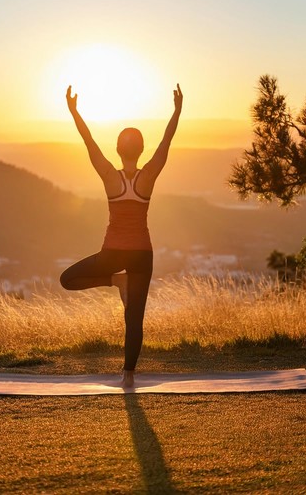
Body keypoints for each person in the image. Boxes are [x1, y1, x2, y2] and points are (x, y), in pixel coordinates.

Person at [60, 83, 183, 387]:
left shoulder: (109, 177)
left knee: (68, 279)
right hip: (143, 254)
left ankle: (116, 280)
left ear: (118, 150)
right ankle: (128, 375)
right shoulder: (148, 176)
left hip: (112, 253)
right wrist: (177, 111)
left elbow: (89, 143)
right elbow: (166, 143)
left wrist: (74, 111)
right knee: (135, 317)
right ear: (141, 150)